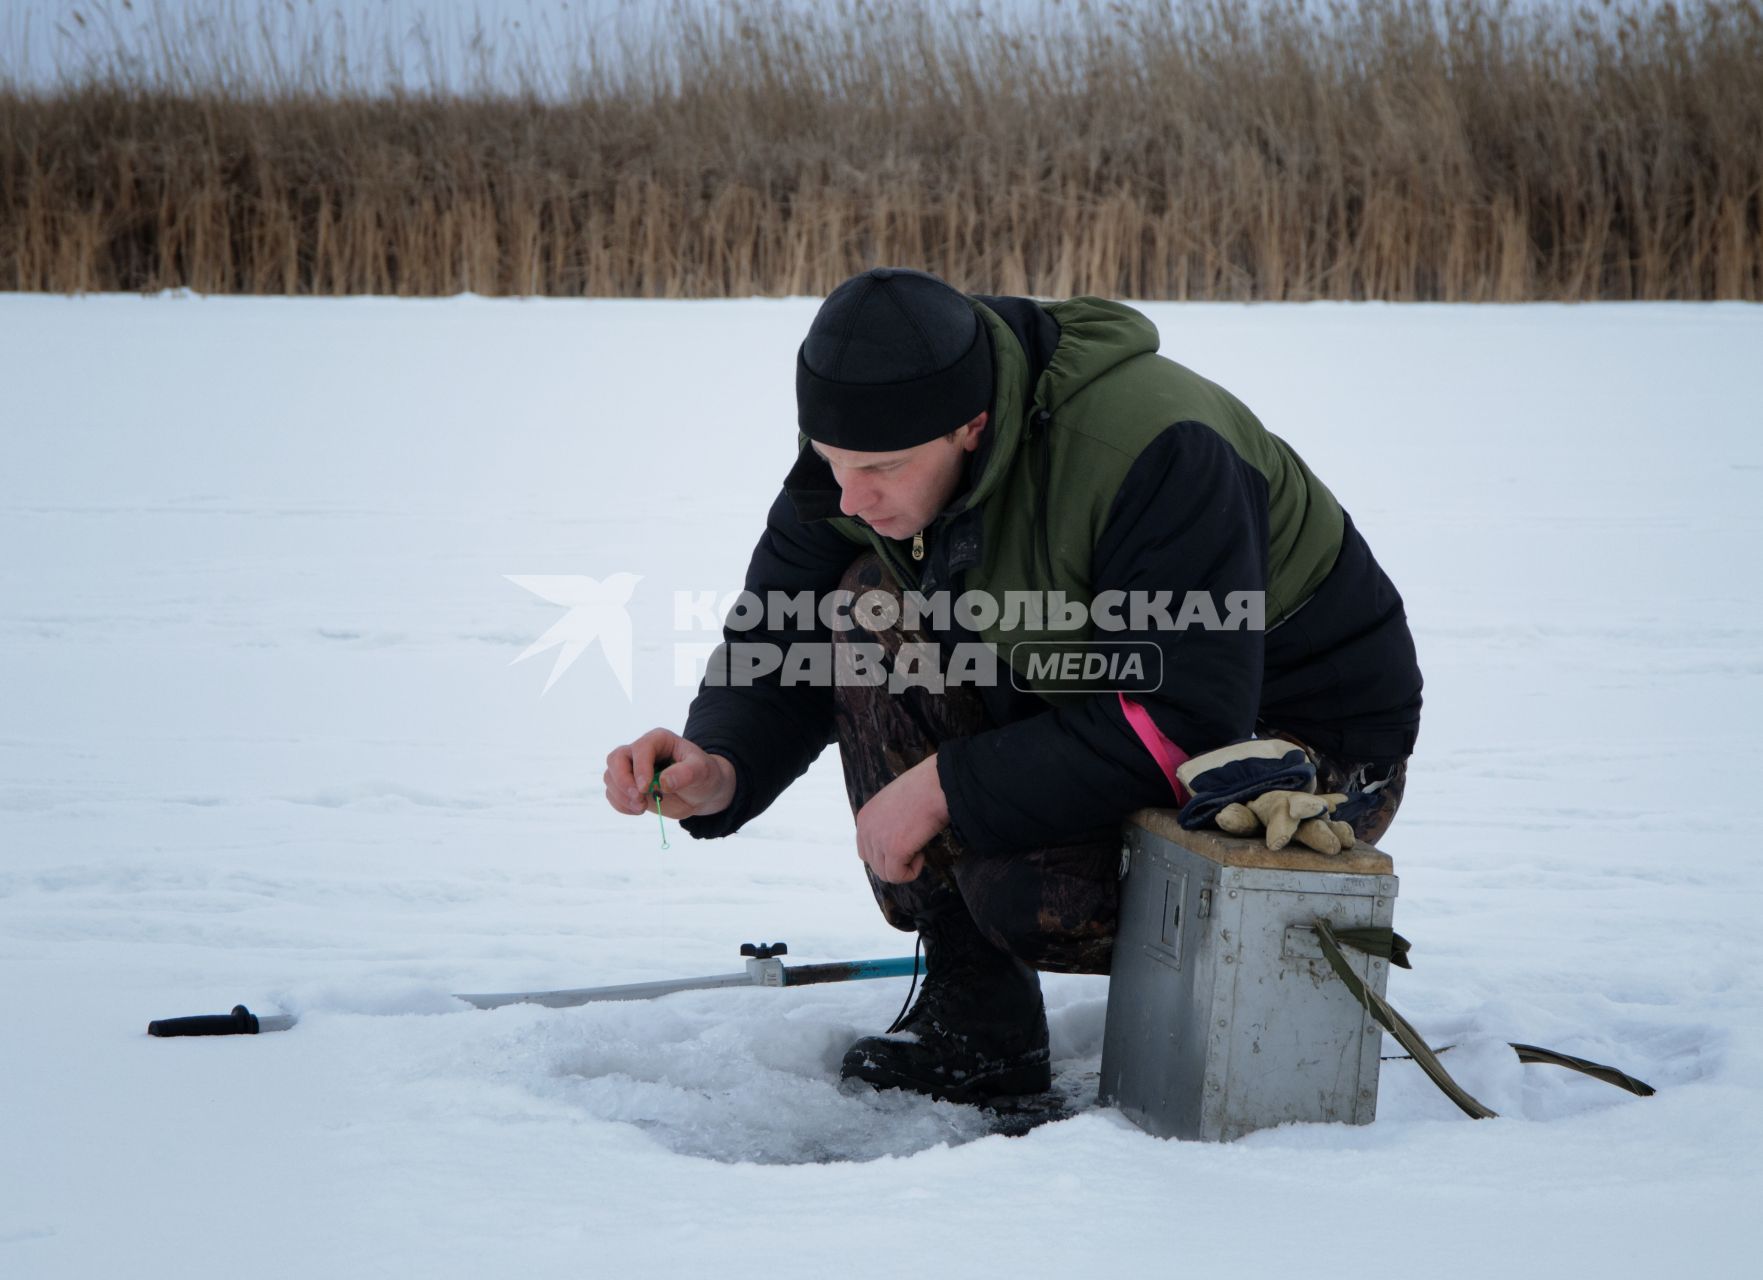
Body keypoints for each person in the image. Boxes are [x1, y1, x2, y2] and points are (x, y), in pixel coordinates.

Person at [604, 267, 1422, 1104]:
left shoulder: (1158, 448)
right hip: (1080, 687)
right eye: (829, 460)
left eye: (879, 467)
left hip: (1287, 744)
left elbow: (1184, 717)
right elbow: (779, 635)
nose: (850, 494)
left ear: (971, 424)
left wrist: (943, 788)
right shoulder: (869, 445)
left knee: (1028, 892)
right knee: (861, 602)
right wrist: (721, 761)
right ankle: (977, 1019)